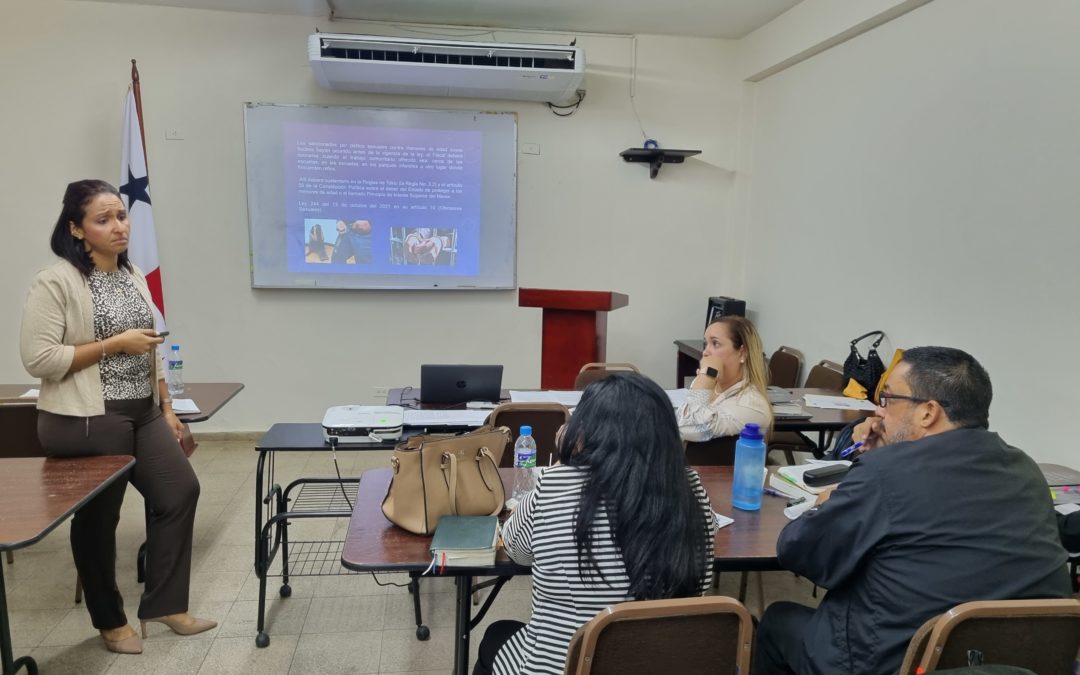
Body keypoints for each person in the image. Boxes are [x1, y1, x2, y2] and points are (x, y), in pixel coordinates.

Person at [754, 347, 1070, 675]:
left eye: (888, 398)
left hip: (896, 663)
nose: (878, 411)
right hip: (1020, 663)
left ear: (928, 412)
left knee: (777, 622)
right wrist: (879, 461)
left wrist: (828, 503)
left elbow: (798, 552)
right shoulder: (1026, 470)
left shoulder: (884, 474)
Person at [19, 179, 215, 655]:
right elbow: (38, 358)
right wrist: (111, 345)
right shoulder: (58, 280)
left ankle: (165, 605)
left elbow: (154, 349)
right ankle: (109, 621)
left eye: (121, 217)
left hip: (142, 411)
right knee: (99, 519)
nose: (118, 227)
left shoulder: (133, 274)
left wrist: (168, 408)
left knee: (179, 491)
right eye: (103, 220)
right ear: (77, 228)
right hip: (86, 417)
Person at [474, 372, 717, 675]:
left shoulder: (556, 484)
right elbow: (706, 559)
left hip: (570, 665)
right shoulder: (691, 489)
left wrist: (565, 460)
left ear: (583, 432)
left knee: (495, 636)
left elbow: (515, 550)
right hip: (662, 663)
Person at [676, 316, 772, 442]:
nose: (705, 352)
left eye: (715, 343)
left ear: (742, 353)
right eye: (706, 344)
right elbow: (679, 422)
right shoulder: (708, 384)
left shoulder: (753, 404)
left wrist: (706, 377)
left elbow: (693, 429)